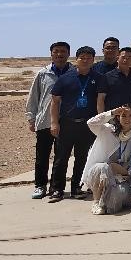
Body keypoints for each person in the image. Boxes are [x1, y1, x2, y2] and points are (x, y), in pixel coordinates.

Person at [48, 45, 104, 202]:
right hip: (67, 124)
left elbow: (100, 101)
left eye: (88, 58)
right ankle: (57, 189)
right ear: (76, 59)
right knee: (61, 158)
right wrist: (54, 123)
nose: (85, 61)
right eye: (82, 58)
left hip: (87, 126)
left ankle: (76, 188)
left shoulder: (99, 78)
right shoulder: (65, 78)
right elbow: (55, 102)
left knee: (82, 158)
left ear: (93, 60)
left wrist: (100, 123)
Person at [25, 41, 71, 199]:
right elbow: (33, 97)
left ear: (68, 54)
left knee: (61, 157)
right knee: (42, 156)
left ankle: (56, 187)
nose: (59, 54)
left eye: (63, 51)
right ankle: (40, 185)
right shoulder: (42, 74)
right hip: (44, 121)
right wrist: (31, 118)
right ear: (51, 54)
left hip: (66, 122)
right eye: (56, 51)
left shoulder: (74, 73)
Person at [82, 105, 131, 214]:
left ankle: (104, 201)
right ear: (118, 117)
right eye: (123, 116)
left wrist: (126, 173)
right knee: (102, 167)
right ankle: (96, 202)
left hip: (122, 177)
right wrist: (111, 113)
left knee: (114, 201)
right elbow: (91, 123)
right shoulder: (108, 130)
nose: (127, 119)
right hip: (101, 174)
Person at [100, 46, 131, 111]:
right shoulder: (107, 76)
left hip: (130, 115)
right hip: (112, 115)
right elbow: (101, 98)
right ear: (117, 58)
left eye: (129, 58)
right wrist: (101, 115)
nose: (125, 60)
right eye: (123, 57)